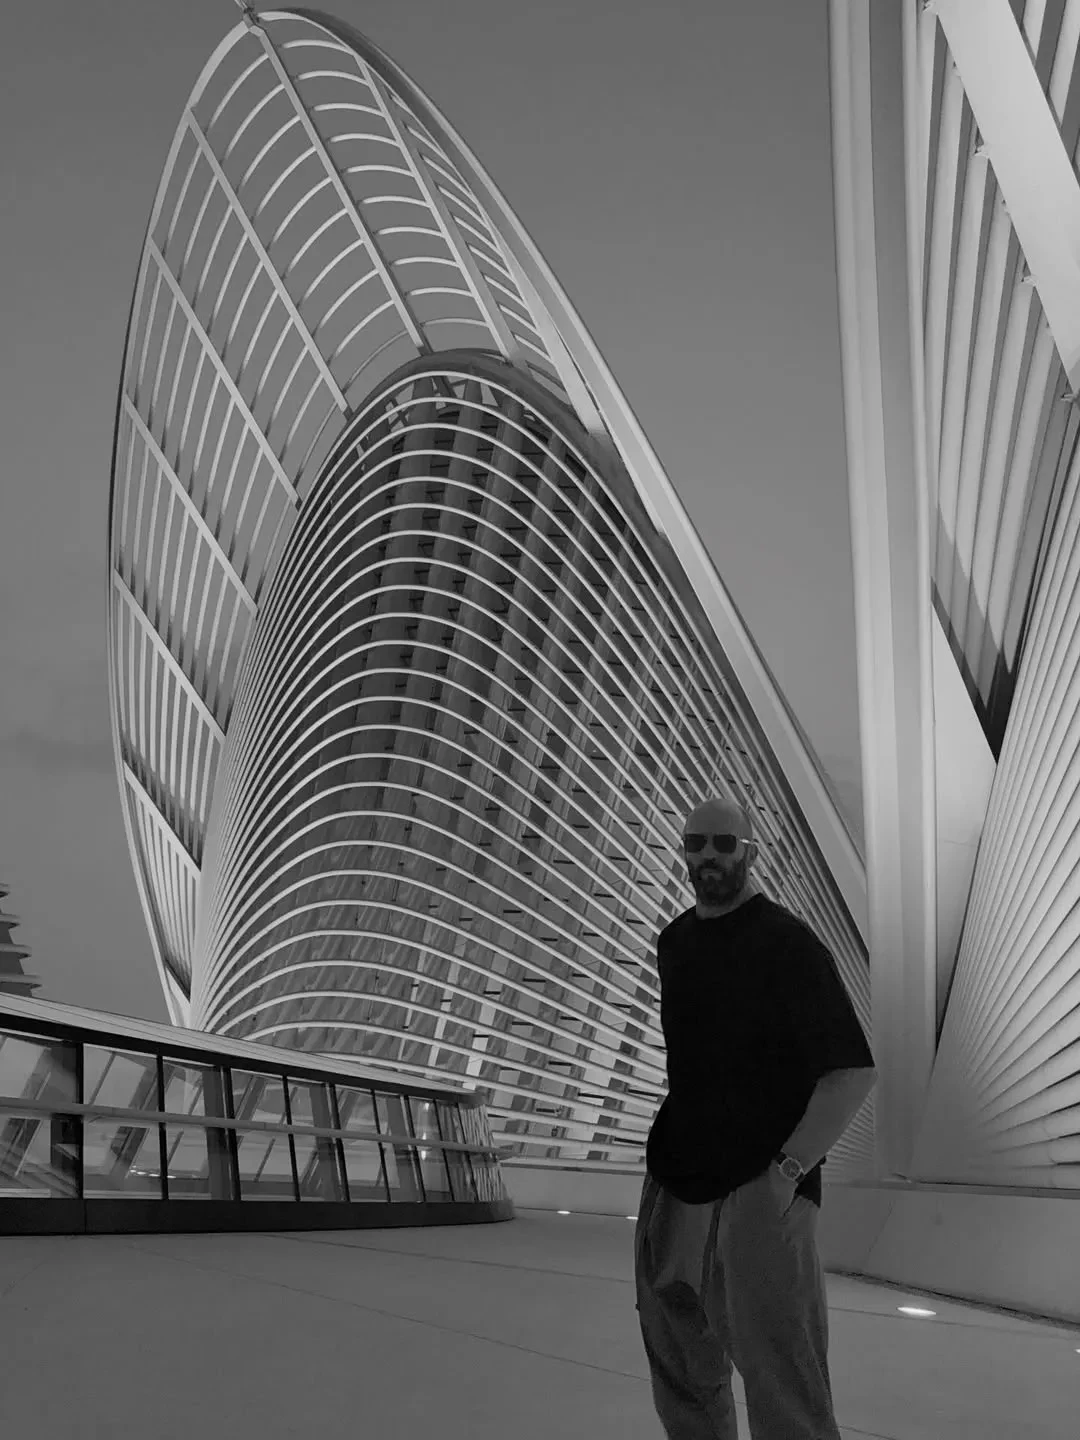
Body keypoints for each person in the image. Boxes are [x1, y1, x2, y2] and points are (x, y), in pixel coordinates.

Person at [635, 794, 877, 1440]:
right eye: (697, 844)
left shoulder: (789, 945)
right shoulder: (674, 942)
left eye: (725, 844)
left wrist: (785, 1175)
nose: (709, 856)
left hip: (757, 1190)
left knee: (785, 1386)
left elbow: (852, 1071)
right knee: (681, 1377)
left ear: (750, 852)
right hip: (675, 1186)